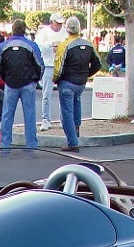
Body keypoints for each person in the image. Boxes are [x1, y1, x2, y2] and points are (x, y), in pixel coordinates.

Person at [54, 16, 102, 152]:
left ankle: (72, 142)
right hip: (80, 83)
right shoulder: (88, 44)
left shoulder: (64, 45)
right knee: (76, 107)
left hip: (67, 82)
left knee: (66, 113)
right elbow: (98, 63)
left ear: (67, 29)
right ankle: (76, 131)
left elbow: (58, 68)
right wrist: (86, 74)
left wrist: (56, 79)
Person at [0, 19, 42, 150]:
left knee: (7, 116)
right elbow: (40, 65)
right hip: (28, 84)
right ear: (24, 29)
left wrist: (6, 79)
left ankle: (5, 146)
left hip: (10, 84)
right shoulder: (31, 45)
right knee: (30, 116)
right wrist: (35, 80)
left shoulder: (3, 46)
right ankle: (31, 146)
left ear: (13, 29)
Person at [34, 13, 66, 131]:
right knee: (46, 94)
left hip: (61, 65)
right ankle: (46, 120)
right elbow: (38, 46)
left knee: (64, 94)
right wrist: (51, 45)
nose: (59, 25)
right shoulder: (44, 32)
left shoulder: (64, 32)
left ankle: (63, 120)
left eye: (61, 23)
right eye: (57, 23)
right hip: (48, 65)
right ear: (51, 22)